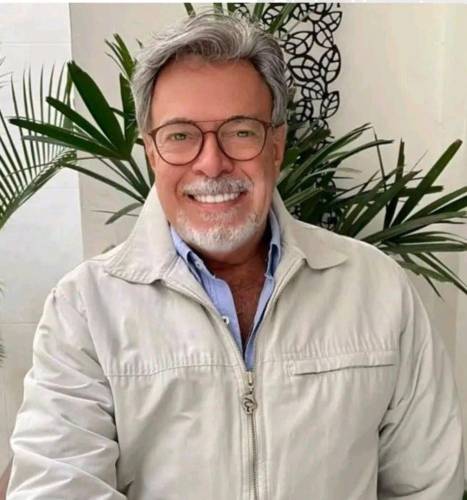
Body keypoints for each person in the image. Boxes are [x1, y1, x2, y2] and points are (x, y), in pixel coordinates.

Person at [5, 12, 464, 500]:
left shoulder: (376, 287)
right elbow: (57, 487)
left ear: (276, 146)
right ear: (152, 152)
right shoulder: (85, 307)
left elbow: (428, 484)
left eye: (241, 131)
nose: (211, 162)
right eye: (180, 135)